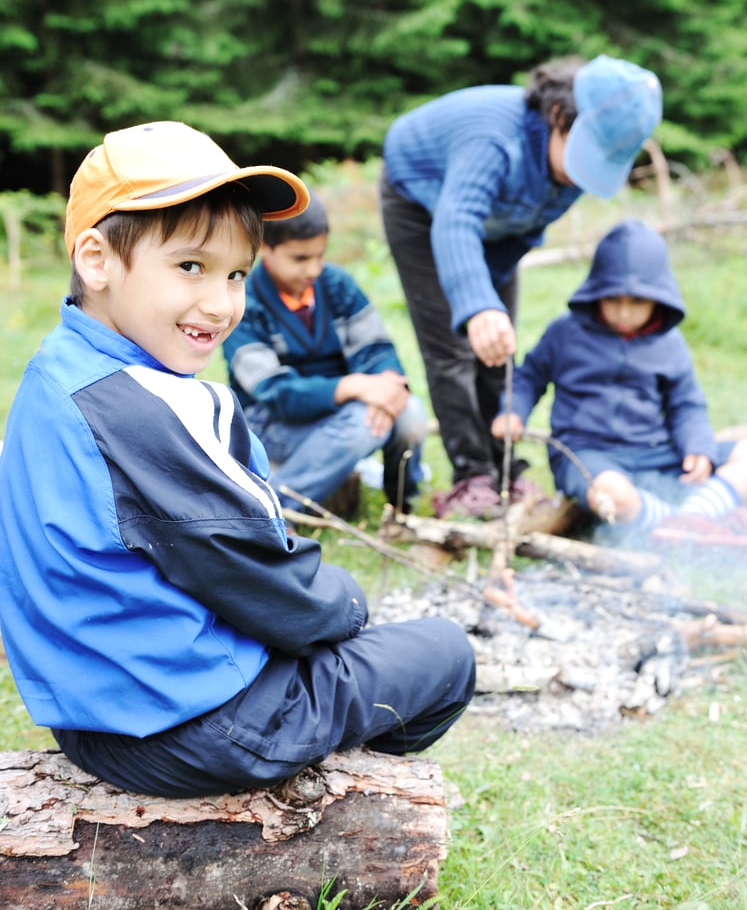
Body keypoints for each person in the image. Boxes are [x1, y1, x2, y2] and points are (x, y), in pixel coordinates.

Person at [0, 121, 476, 799]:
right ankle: (337, 801)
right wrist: (350, 602)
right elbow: (272, 589)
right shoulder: (139, 411)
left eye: (236, 274)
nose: (221, 303)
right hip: (198, 723)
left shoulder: (58, 369)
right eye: (190, 266)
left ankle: (315, 768)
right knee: (446, 653)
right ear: (98, 260)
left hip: (96, 714)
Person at [380, 53, 663, 519]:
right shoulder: (495, 138)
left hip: (498, 228)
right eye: (583, 153)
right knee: (452, 346)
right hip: (421, 200)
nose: (580, 173)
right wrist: (474, 306)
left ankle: (506, 471)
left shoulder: (570, 172)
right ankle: (472, 477)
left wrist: (489, 300)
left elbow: (530, 229)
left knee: (497, 343)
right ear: (558, 116)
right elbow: (456, 221)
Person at [490, 218, 747, 551]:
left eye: (637, 302)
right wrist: (512, 411)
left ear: (658, 300)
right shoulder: (566, 333)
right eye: (614, 299)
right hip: (587, 452)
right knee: (613, 494)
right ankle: (683, 523)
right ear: (596, 291)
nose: (624, 313)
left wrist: (697, 446)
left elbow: (686, 403)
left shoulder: (668, 343)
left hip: (655, 452)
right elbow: (529, 376)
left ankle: (689, 520)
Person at [224, 192, 427, 515]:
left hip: (345, 410)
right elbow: (275, 392)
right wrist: (352, 387)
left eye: (320, 256)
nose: (314, 269)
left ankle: (402, 506)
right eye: (301, 259)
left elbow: (375, 348)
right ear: (264, 247)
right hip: (272, 422)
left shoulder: (336, 285)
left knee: (410, 411)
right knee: (363, 424)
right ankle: (274, 508)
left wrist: (388, 382)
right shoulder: (245, 302)